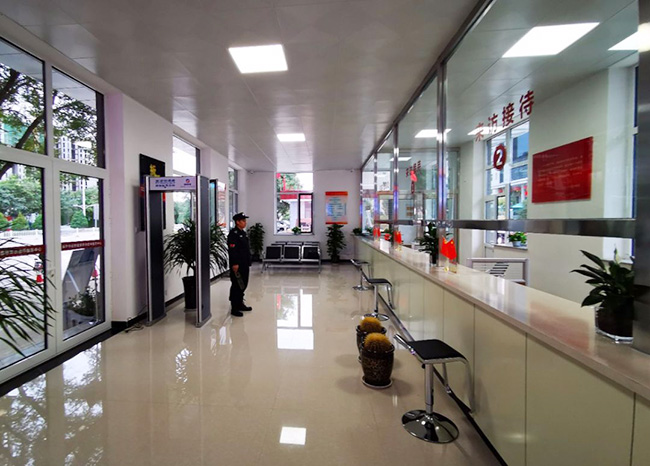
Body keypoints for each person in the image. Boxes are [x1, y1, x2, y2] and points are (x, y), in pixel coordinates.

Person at [227, 212, 252, 317]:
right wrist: (235, 263)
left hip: (244, 263)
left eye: (245, 221)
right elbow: (233, 251)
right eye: (243, 221)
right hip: (237, 264)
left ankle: (240, 303)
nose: (245, 222)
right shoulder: (233, 234)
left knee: (243, 284)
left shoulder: (243, 233)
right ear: (237, 222)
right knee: (237, 285)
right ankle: (234, 307)